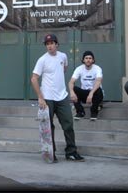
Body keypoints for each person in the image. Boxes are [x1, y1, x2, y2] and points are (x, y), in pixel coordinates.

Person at [31, 34, 85, 162]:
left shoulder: (63, 56)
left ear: (57, 44)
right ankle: (51, 153)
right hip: (47, 98)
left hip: (62, 97)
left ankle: (71, 152)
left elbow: (64, 69)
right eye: (47, 44)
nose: (49, 46)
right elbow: (34, 78)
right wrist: (40, 97)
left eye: (51, 43)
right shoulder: (42, 60)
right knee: (48, 127)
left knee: (68, 125)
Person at [68, 51, 104, 120]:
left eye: (90, 58)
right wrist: (71, 92)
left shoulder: (97, 68)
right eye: (86, 58)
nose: (88, 60)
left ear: (93, 60)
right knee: (74, 89)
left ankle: (94, 112)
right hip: (85, 95)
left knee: (98, 89)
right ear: (83, 60)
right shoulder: (79, 69)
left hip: (95, 94)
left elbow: (98, 81)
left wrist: (91, 93)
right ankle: (80, 112)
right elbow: (71, 82)